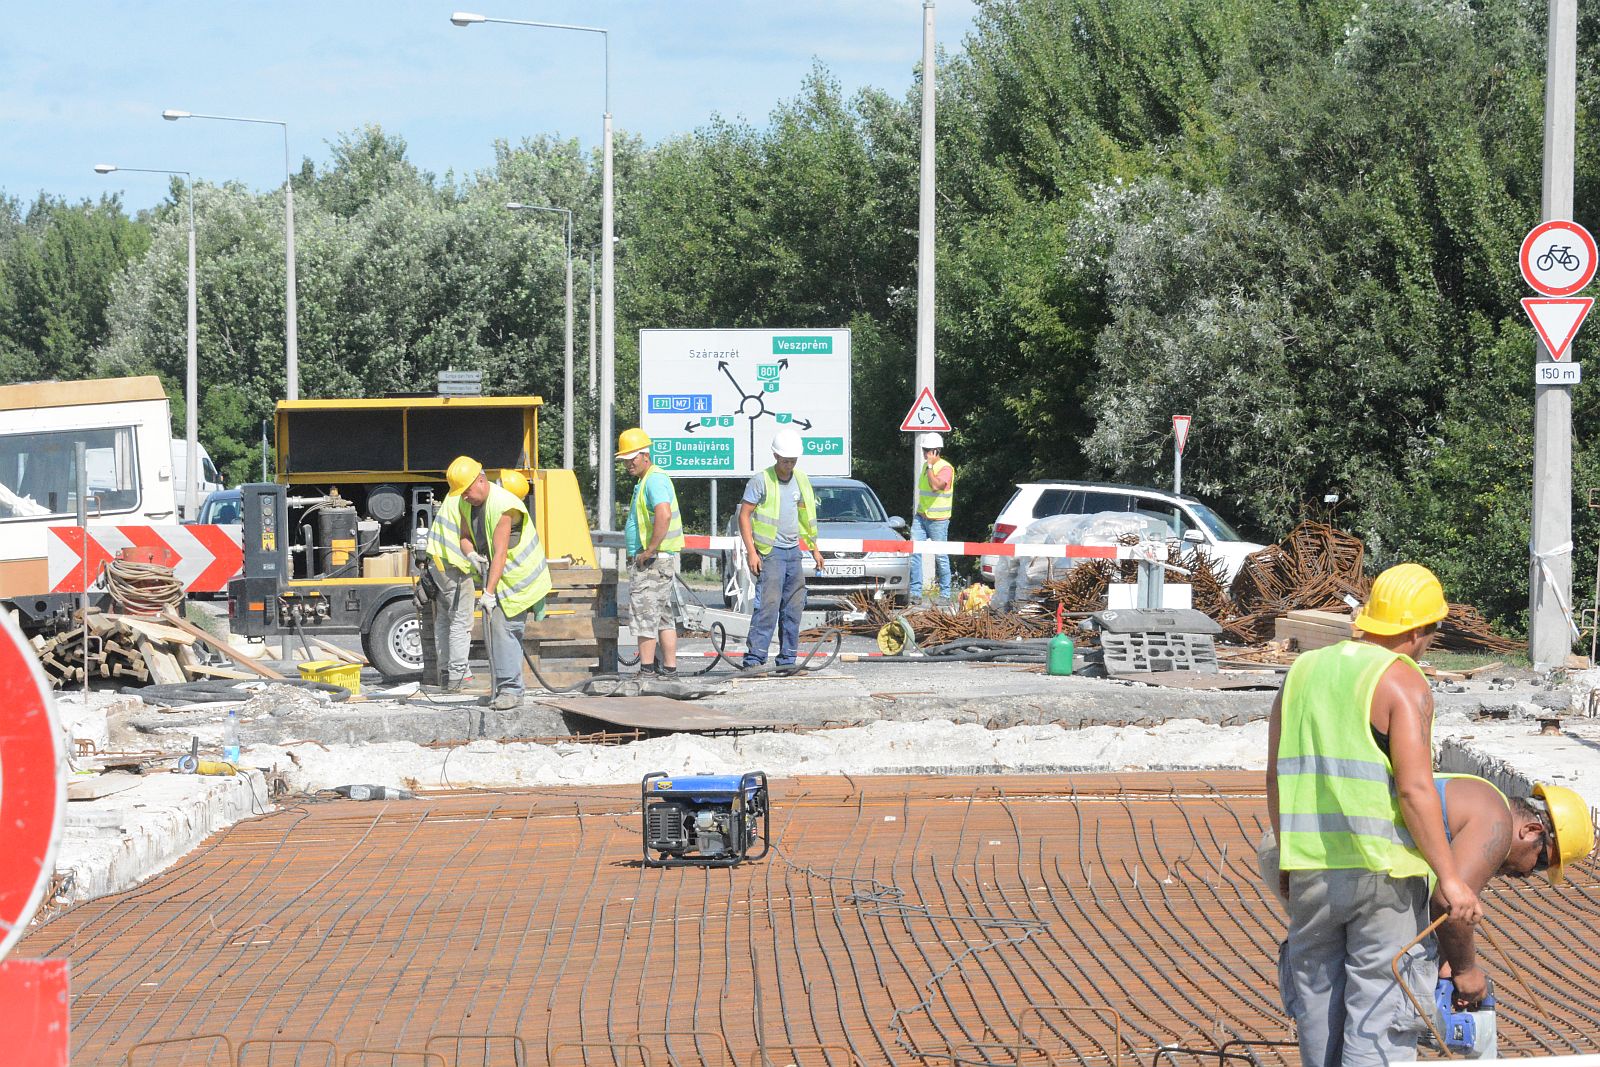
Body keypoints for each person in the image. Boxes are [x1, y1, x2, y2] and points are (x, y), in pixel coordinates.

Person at [1267, 562, 1482, 1067]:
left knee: (1318, 1001)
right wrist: (1450, 880)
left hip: (1311, 870)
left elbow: (1276, 775)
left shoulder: (1302, 672)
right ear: (1415, 630)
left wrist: (1287, 855)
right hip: (1383, 875)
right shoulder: (1402, 682)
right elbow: (1414, 789)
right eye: (1430, 632)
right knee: (1382, 1010)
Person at [1259, 775, 1592, 1057]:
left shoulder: (1475, 793)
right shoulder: (1496, 821)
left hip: (1297, 844)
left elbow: (1440, 899)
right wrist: (1466, 971)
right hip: (1346, 859)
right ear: (1532, 830)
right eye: (1541, 862)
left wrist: (1446, 962)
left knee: (1333, 989)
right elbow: (1448, 904)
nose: (1529, 874)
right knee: (1385, 1003)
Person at [456, 458, 552, 710]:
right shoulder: (464, 502)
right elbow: (465, 536)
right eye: (462, 492)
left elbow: (500, 552)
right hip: (499, 578)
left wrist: (488, 592)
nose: (465, 496)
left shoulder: (503, 505)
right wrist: (470, 554)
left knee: (504, 628)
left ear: (480, 480)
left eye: (467, 490)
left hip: (520, 579)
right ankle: (501, 688)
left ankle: (511, 690)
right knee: (494, 629)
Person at [738, 426, 827, 668]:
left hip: (793, 553)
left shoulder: (801, 480)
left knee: (793, 607)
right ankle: (755, 659)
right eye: (786, 460)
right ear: (776, 456)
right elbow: (744, 515)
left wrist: (813, 548)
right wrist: (752, 553)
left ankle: (788, 660)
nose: (790, 464)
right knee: (767, 606)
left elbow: (805, 517)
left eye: (793, 460)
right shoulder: (761, 480)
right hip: (770, 553)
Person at [618, 428, 684, 678]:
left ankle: (646, 671)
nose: (628, 464)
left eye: (631, 458)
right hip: (657, 561)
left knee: (645, 616)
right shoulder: (646, 480)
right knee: (663, 617)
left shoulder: (654, 479)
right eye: (625, 460)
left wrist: (649, 550)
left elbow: (663, 513)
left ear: (645, 455)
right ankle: (669, 669)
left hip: (653, 562)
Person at [423, 455, 483, 691]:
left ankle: (448, 671)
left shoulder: (453, 495)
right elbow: (469, 535)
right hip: (455, 568)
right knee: (461, 622)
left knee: (445, 621)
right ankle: (459, 675)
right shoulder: (465, 499)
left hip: (438, 565)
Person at [909, 432, 955, 603]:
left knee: (941, 556)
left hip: (938, 520)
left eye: (928, 450)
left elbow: (936, 486)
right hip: (921, 517)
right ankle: (915, 592)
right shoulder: (925, 468)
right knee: (914, 553)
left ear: (936, 451)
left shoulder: (945, 468)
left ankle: (945, 594)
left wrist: (929, 467)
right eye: (924, 450)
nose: (925, 453)